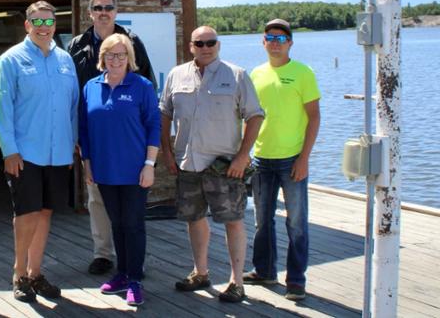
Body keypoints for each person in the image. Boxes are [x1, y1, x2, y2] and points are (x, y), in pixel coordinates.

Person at [159, 25, 264, 303]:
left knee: (233, 221)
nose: (205, 47)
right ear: (190, 46)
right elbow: (164, 116)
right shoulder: (176, 75)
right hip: (188, 163)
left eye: (211, 43)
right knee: (194, 219)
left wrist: (243, 155)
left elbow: (255, 116)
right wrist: (167, 153)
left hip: (225, 166)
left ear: (218, 45)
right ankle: (200, 272)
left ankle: (236, 281)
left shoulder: (237, 75)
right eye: (200, 43)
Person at [0, 0, 79, 302]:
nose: (44, 27)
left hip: (58, 154)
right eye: (37, 21)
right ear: (27, 25)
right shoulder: (10, 61)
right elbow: (1, 109)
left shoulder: (66, 60)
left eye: (49, 21)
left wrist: (70, 148)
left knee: (45, 212)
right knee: (26, 213)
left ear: (55, 25)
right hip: (25, 153)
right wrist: (9, 151)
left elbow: (73, 109)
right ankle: (18, 273)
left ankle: (35, 272)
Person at [68, 0, 156, 276]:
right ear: (90, 12)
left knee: (129, 210)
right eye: (98, 7)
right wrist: (80, 139)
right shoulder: (78, 45)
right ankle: (103, 254)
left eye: (108, 7)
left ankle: (131, 261)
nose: (103, 11)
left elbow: (148, 89)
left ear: (116, 12)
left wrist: (149, 158)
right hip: (96, 139)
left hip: (128, 144)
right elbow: (73, 94)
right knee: (96, 199)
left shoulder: (132, 42)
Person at [79, 33, 160, 306]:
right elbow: (84, 130)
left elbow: (153, 127)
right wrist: (88, 163)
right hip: (104, 170)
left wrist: (149, 165)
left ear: (129, 58)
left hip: (136, 171)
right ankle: (122, 273)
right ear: (102, 58)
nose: (116, 60)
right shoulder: (91, 87)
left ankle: (135, 280)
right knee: (117, 224)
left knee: (134, 225)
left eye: (121, 55)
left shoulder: (142, 86)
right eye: (110, 55)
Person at [244, 19, 321, 301]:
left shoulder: (303, 73)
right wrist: (244, 152)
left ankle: (296, 281)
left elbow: (314, 117)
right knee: (262, 221)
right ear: (262, 42)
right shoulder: (256, 73)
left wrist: (304, 158)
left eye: (281, 38)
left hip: (292, 160)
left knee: (296, 223)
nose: (275, 43)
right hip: (262, 158)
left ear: (290, 43)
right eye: (270, 38)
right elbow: (250, 117)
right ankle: (263, 270)